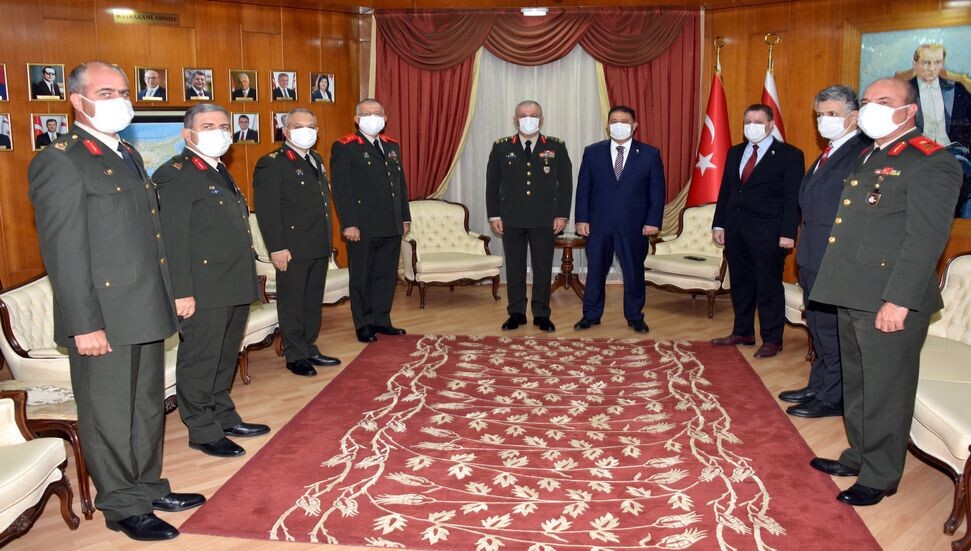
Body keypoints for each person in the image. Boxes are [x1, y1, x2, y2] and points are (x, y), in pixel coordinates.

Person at [28, 60, 204, 542]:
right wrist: (84, 324)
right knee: (108, 415)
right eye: (106, 92)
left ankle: (146, 487)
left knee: (146, 408)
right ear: (77, 100)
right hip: (103, 316)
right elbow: (64, 253)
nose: (120, 100)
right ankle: (122, 506)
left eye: (123, 92)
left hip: (143, 307)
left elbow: (148, 238)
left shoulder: (124, 151)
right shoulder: (61, 160)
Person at [809, 77, 962, 506]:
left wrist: (899, 300)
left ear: (909, 111)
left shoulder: (931, 161)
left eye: (884, 101)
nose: (871, 107)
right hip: (854, 291)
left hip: (889, 298)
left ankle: (880, 475)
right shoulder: (870, 154)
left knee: (886, 390)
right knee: (859, 383)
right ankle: (859, 455)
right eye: (868, 100)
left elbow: (925, 241)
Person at [154, 104, 270, 459]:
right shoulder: (176, 174)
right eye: (208, 126)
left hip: (232, 282)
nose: (219, 132)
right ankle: (202, 430)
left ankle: (223, 416)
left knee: (224, 357)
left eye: (223, 126)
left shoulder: (218, 170)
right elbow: (172, 239)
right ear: (187, 134)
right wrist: (182, 292)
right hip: (203, 288)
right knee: (201, 361)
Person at [778, 86, 870, 418]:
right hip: (813, 255)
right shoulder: (830, 151)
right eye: (820, 114)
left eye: (832, 114)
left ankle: (835, 397)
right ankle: (819, 386)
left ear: (853, 116)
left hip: (835, 259)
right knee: (818, 327)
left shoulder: (862, 152)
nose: (823, 121)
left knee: (832, 331)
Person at [710, 103, 804, 358]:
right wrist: (719, 224)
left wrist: (788, 233)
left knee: (768, 286)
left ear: (770, 125)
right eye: (747, 122)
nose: (751, 126)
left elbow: (792, 197)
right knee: (740, 284)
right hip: (736, 231)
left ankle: (772, 339)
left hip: (769, 233)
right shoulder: (734, 152)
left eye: (758, 122)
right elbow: (726, 191)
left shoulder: (789, 155)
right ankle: (743, 332)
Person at [254, 108, 340, 376]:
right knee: (292, 303)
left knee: (312, 302)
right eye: (299, 126)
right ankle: (294, 354)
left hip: (317, 244)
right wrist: (277, 247)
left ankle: (309, 347)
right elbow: (267, 210)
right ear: (286, 131)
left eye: (311, 126)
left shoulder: (315, 158)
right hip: (291, 248)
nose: (307, 131)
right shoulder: (273, 162)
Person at [574, 105, 664, 333]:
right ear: (607, 125)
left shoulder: (650, 154)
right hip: (598, 225)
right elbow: (583, 189)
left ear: (635, 126)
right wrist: (581, 218)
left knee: (634, 273)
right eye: (614, 121)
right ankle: (591, 314)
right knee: (595, 272)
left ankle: (635, 317)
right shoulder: (592, 152)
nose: (619, 125)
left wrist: (653, 221)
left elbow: (656, 192)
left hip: (634, 226)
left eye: (624, 121)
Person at [486, 100, 572, 332]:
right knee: (514, 268)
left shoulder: (556, 146)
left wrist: (562, 215)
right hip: (511, 218)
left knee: (542, 268)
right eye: (523, 115)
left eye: (533, 115)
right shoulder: (501, 147)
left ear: (541, 119)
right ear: (515, 119)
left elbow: (565, 184)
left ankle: (542, 314)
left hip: (544, 219)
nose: (528, 119)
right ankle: (516, 313)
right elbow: (492, 184)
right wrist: (494, 215)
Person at [331, 98, 411, 343]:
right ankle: (363, 324)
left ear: (385, 118)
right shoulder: (345, 146)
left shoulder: (391, 145)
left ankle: (381, 320)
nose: (372, 117)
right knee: (362, 276)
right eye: (366, 114)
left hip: (391, 223)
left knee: (386, 275)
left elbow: (399, 184)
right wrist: (349, 223)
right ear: (357, 119)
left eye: (377, 113)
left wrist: (404, 216)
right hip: (362, 226)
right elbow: (342, 190)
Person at [909, 43, 971, 217]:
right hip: (916, 153)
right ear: (915, 63)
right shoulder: (903, 91)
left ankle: (961, 224)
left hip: (953, 152)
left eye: (937, 62)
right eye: (926, 62)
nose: (932, 68)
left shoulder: (956, 88)